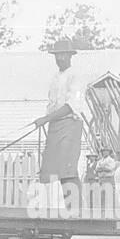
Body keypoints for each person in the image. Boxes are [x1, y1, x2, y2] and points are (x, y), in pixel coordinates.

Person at [32, 39, 85, 213]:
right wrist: (47, 120)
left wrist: (46, 119)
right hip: (55, 124)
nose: (60, 58)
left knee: (67, 170)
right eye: (57, 55)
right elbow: (52, 103)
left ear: (70, 56)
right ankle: (46, 210)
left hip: (70, 123)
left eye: (64, 54)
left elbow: (72, 105)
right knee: (48, 169)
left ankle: (76, 212)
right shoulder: (55, 78)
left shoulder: (75, 76)